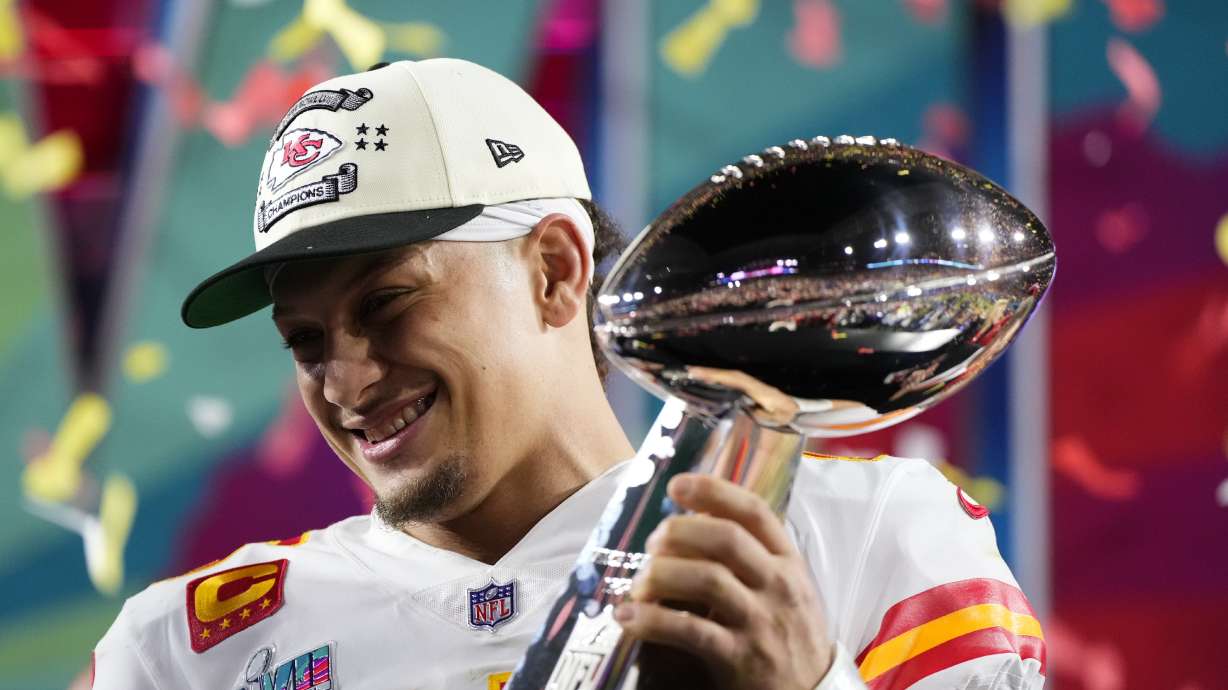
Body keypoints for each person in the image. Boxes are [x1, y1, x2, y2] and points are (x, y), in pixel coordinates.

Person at [91, 58, 1046, 690]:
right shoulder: (180, 649)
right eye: (304, 341)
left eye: (387, 305)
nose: (345, 376)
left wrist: (813, 680)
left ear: (554, 269)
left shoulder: (865, 534)